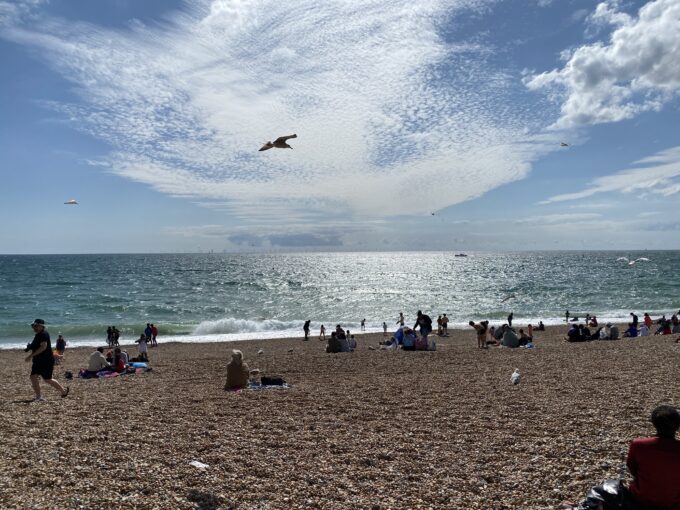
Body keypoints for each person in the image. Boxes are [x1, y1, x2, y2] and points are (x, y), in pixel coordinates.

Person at [570, 405, 680, 510]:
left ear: (654, 424)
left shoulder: (639, 445)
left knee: (606, 489)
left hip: (639, 502)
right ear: (677, 426)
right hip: (674, 505)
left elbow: (632, 469)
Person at [25, 319, 69, 401]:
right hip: (38, 360)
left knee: (47, 379)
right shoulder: (38, 334)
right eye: (33, 326)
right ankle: (39, 397)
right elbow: (38, 345)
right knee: (33, 377)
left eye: (36, 326)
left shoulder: (43, 334)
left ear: (42, 326)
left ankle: (63, 391)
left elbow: (43, 347)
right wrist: (30, 346)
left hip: (46, 361)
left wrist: (30, 356)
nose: (34, 327)